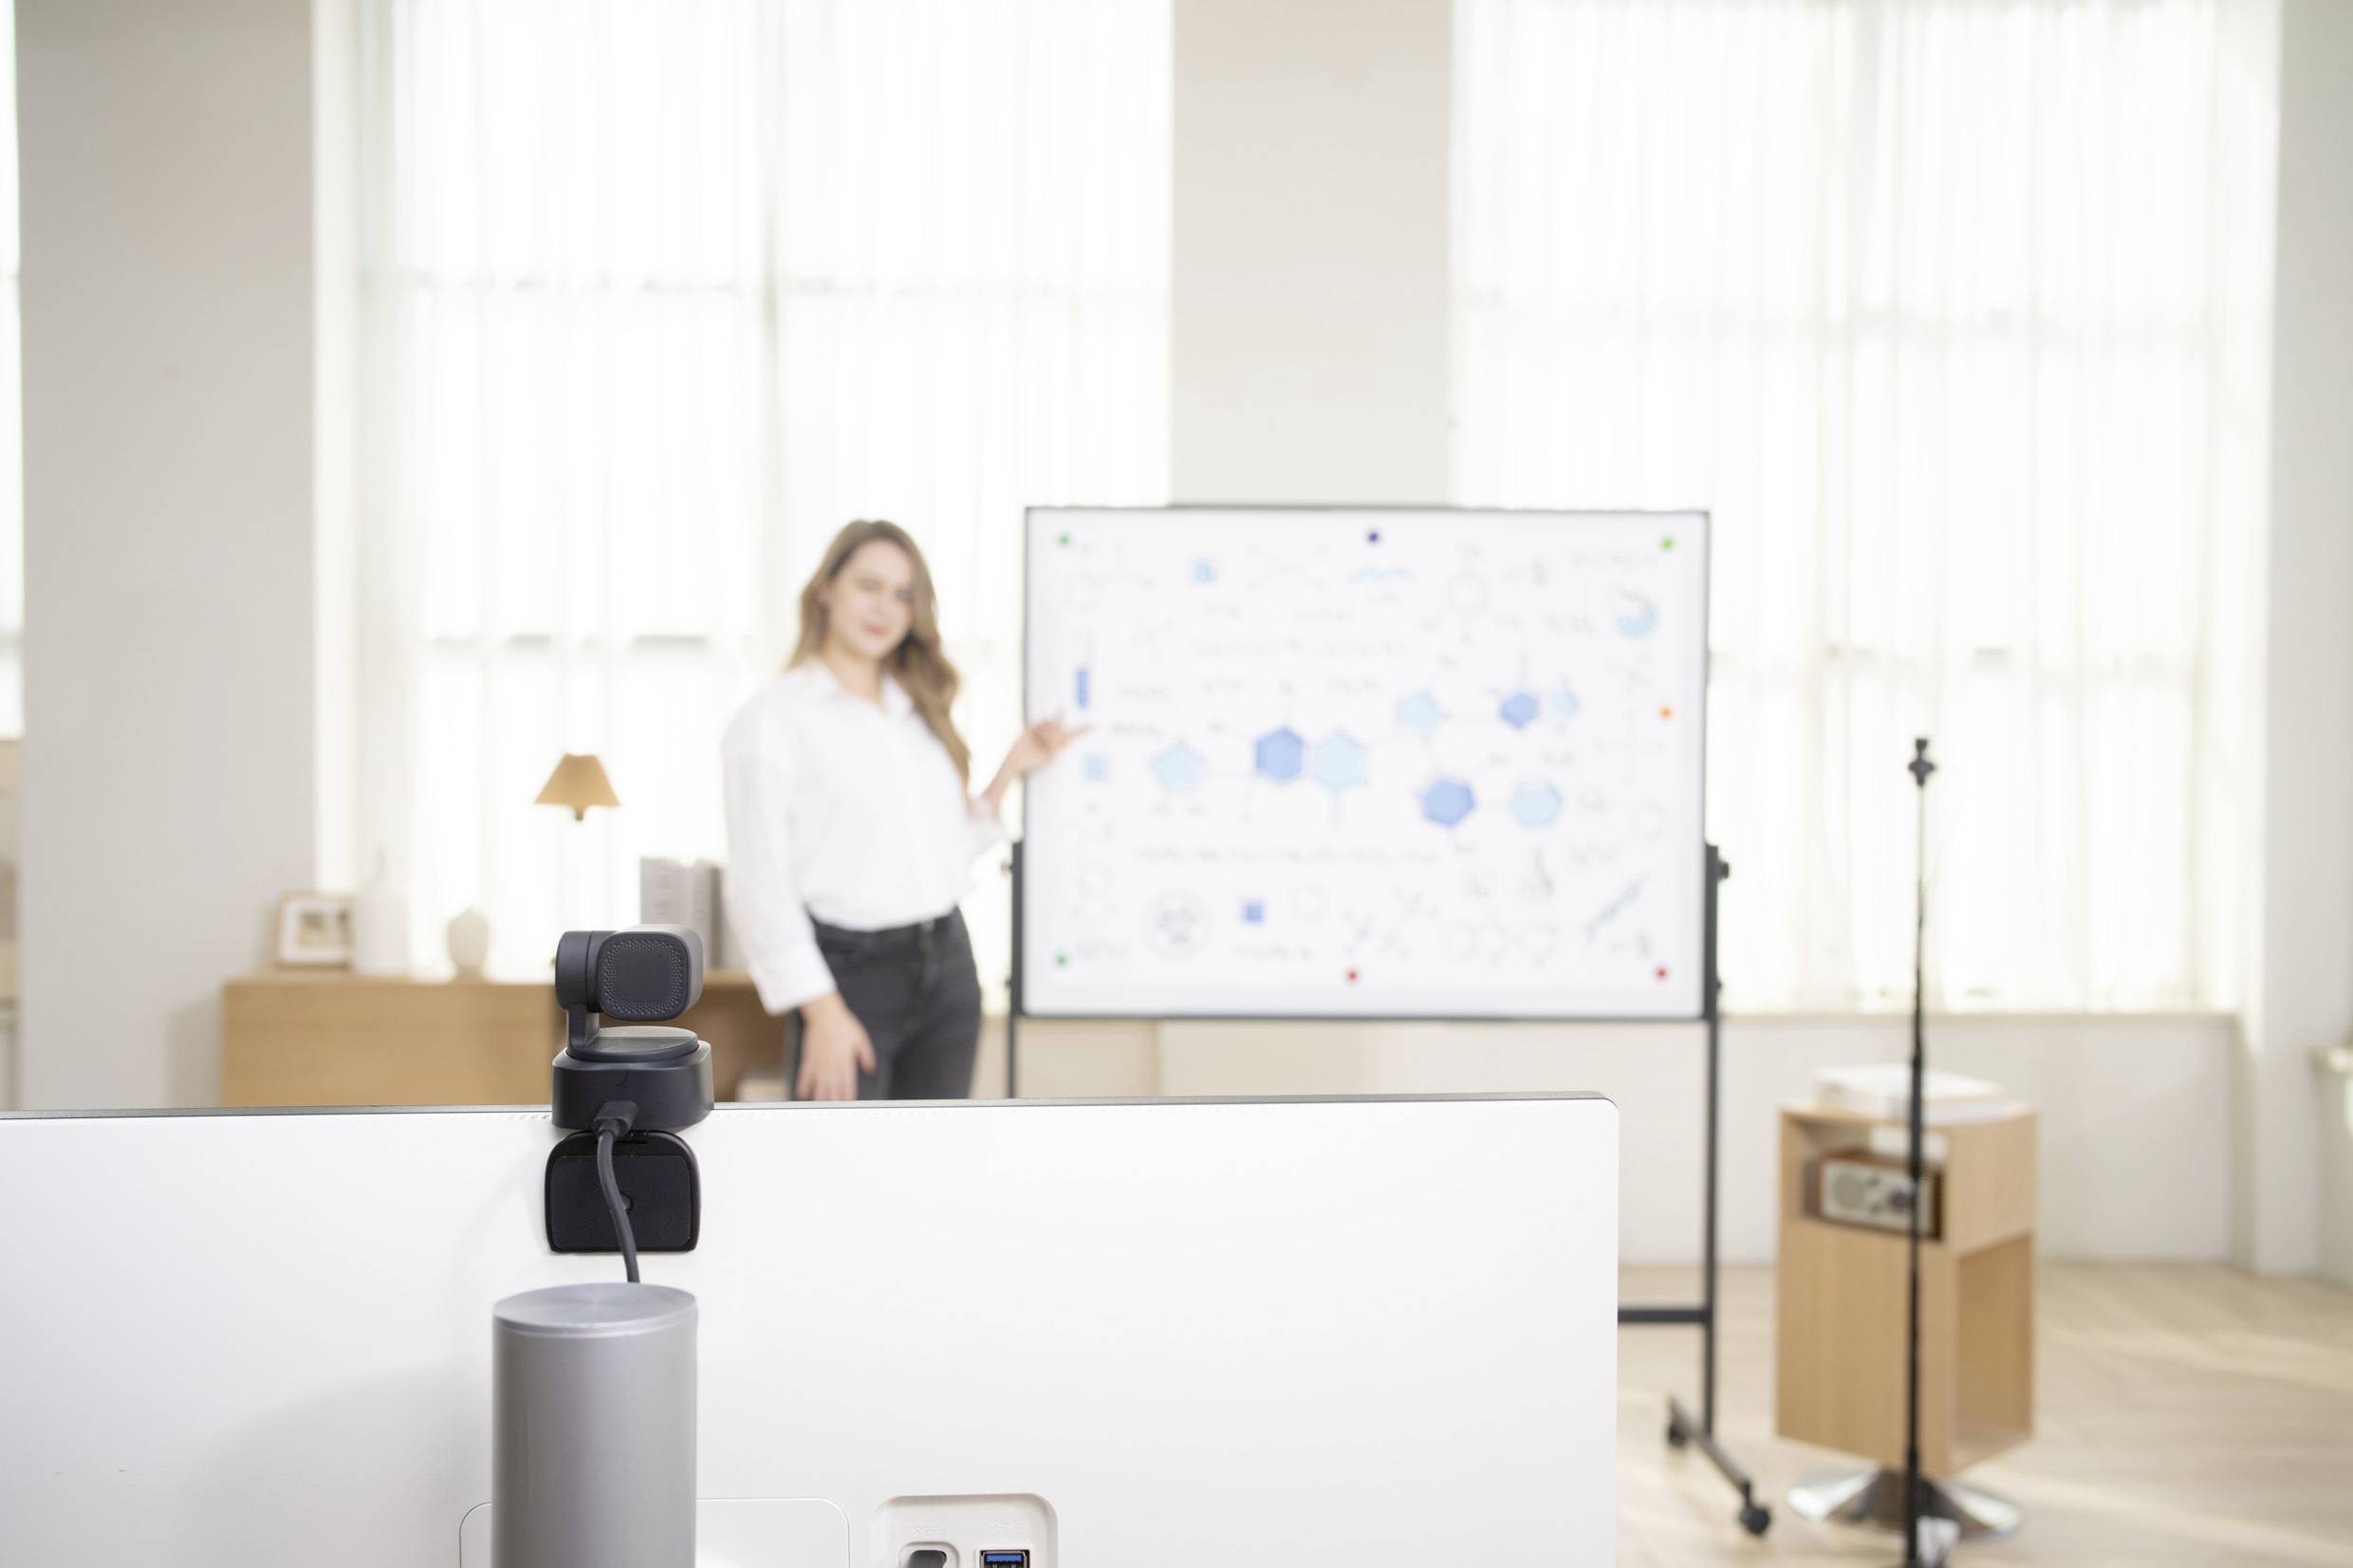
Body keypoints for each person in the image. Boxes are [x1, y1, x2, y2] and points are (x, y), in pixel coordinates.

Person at [722, 519, 1081, 1100]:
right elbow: (759, 887)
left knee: (933, 1168)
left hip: (948, 962)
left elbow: (938, 846)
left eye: (903, 594)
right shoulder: (772, 721)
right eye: (869, 585)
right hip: (850, 979)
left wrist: (1013, 766)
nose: (884, 607)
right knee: (842, 1173)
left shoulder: (914, 708)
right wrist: (823, 1013)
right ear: (825, 588)